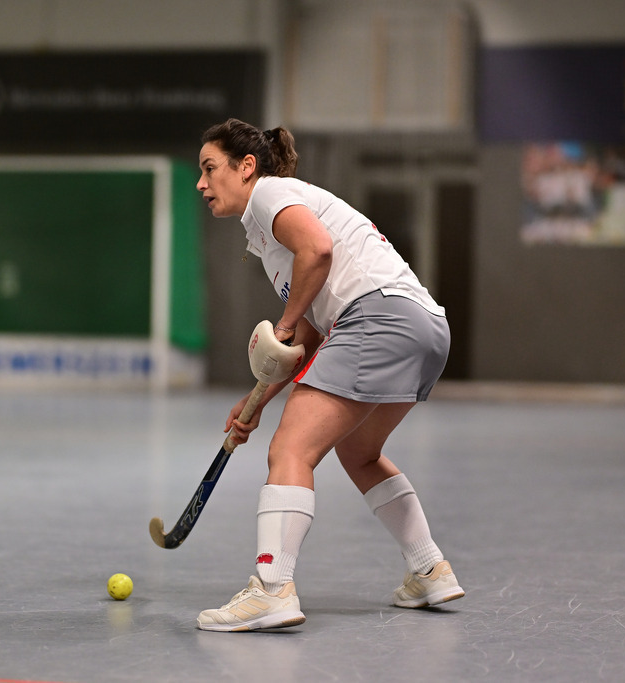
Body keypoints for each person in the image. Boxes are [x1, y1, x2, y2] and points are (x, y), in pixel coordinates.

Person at [193, 118, 462, 632]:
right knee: (358, 451)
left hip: (378, 318)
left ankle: (272, 588)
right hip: (422, 326)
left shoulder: (270, 196)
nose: (202, 184)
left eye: (209, 169)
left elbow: (317, 253)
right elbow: (313, 337)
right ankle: (429, 568)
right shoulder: (271, 229)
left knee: (290, 451)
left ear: (246, 167)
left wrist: (286, 322)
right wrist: (257, 401)